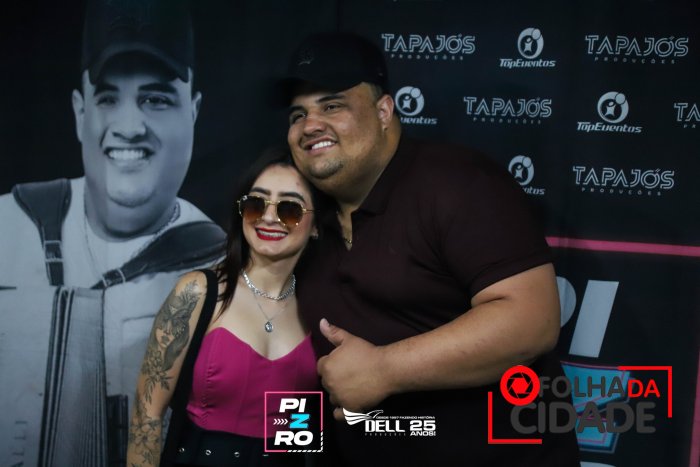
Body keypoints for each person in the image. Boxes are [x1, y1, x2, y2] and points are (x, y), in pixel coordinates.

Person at [278, 32, 581, 466]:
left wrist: (383, 369)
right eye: (298, 114)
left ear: (384, 111)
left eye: (332, 106)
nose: (309, 125)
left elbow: (532, 321)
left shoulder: (459, 184)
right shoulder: (297, 214)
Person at [0, 1, 225, 466]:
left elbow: (282, 415)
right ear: (79, 111)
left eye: (156, 99)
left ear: (194, 112)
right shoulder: (7, 229)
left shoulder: (227, 269)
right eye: (107, 98)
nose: (129, 127)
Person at [126, 148, 322, 467]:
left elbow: (307, 426)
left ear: (316, 225)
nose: (268, 217)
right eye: (256, 203)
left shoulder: (322, 307)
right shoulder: (199, 292)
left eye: (289, 208)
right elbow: (146, 415)